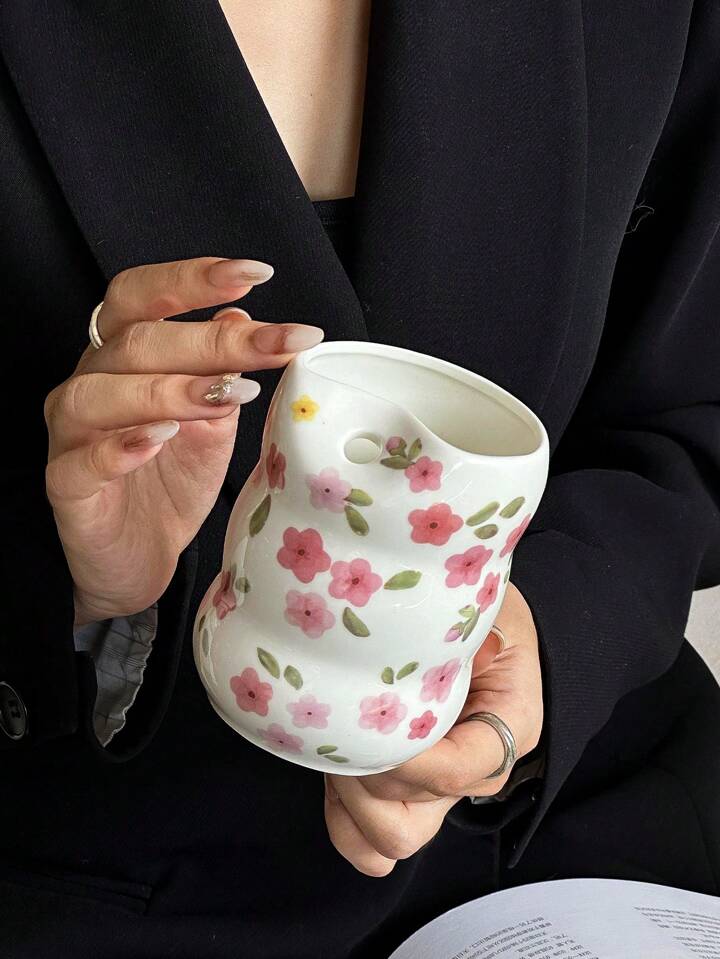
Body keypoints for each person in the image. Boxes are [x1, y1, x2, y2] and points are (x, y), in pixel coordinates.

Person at [1, 2, 718, 956]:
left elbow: (687, 415)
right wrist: (82, 589)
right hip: (94, 870)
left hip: (573, 816)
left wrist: (541, 638)